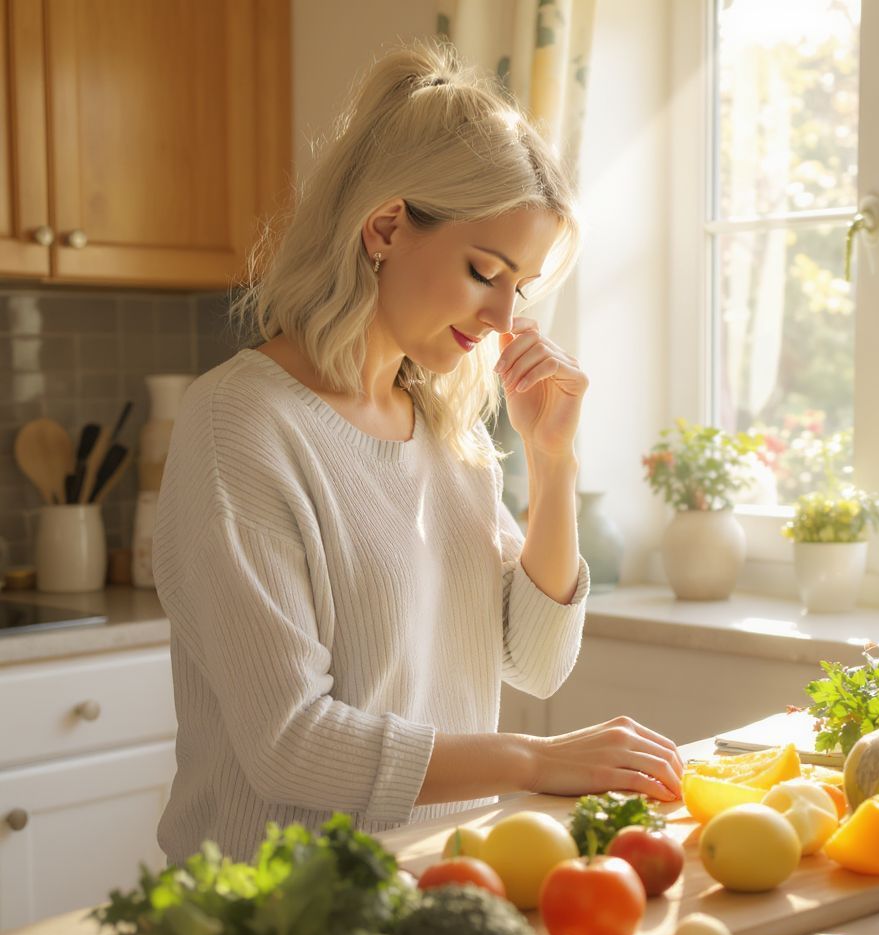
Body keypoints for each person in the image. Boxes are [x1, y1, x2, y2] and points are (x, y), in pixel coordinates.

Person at [152, 41, 683, 864]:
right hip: (277, 922)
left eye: (523, 287)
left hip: (437, 884)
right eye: (485, 271)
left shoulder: (447, 431)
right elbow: (290, 743)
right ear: (387, 226)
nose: (506, 318)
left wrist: (552, 465)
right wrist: (539, 761)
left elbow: (535, 661)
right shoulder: (239, 425)